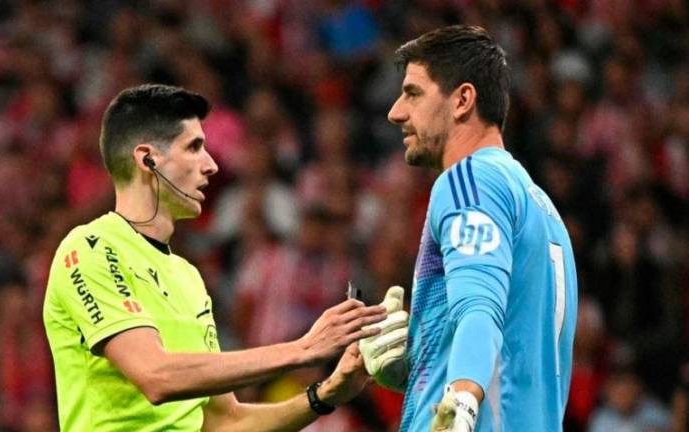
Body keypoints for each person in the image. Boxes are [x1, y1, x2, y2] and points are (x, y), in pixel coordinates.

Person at [42, 84, 388, 431]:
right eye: (194, 147)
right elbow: (155, 375)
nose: (211, 166)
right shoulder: (90, 249)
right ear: (148, 159)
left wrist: (324, 394)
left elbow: (225, 422)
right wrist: (302, 350)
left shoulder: (188, 277)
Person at [372, 25, 579, 431]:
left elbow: (479, 309)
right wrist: (415, 367)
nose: (396, 111)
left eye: (413, 93)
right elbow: (513, 350)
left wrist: (460, 407)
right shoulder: (540, 207)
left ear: (462, 100)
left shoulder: (468, 181)